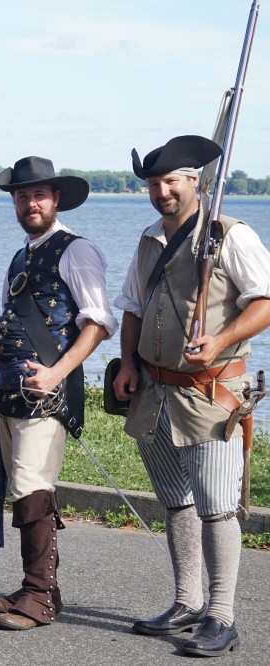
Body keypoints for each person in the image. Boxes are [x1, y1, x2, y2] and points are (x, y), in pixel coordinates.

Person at [112, 135, 270, 657]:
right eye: (154, 184)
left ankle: (221, 616)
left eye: (171, 181)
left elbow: (265, 301)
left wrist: (220, 340)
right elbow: (132, 306)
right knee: (176, 500)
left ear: (194, 182)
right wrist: (128, 363)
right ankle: (187, 602)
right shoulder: (148, 239)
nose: (162, 192)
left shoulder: (231, 235)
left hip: (211, 394)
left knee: (218, 508)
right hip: (154, 390)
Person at [0, 156, 116, 631]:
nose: (30, 203)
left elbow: (98, 323)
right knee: (22, 487)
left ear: (56, 199)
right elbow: (5, 330)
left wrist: (56, 375)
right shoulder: (19, 258)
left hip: (48, 396)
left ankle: (38, 596)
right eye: (22, 196)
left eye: (38, 195)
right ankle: (39, 587)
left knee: (33, 486)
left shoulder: (78, 251)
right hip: (9, 393)